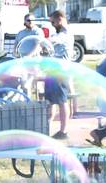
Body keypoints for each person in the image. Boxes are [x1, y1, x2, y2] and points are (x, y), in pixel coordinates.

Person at [45, 10, 74, 140]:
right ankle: (46, 129)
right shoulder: (59, 33)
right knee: (50, 101)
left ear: (60, 20)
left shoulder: (65, 34)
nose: (52, 25)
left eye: (53, 22)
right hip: (52, 71)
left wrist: (43, 39)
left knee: (62, 101)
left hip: (61, 72)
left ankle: (63, 131)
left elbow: (52, 41)